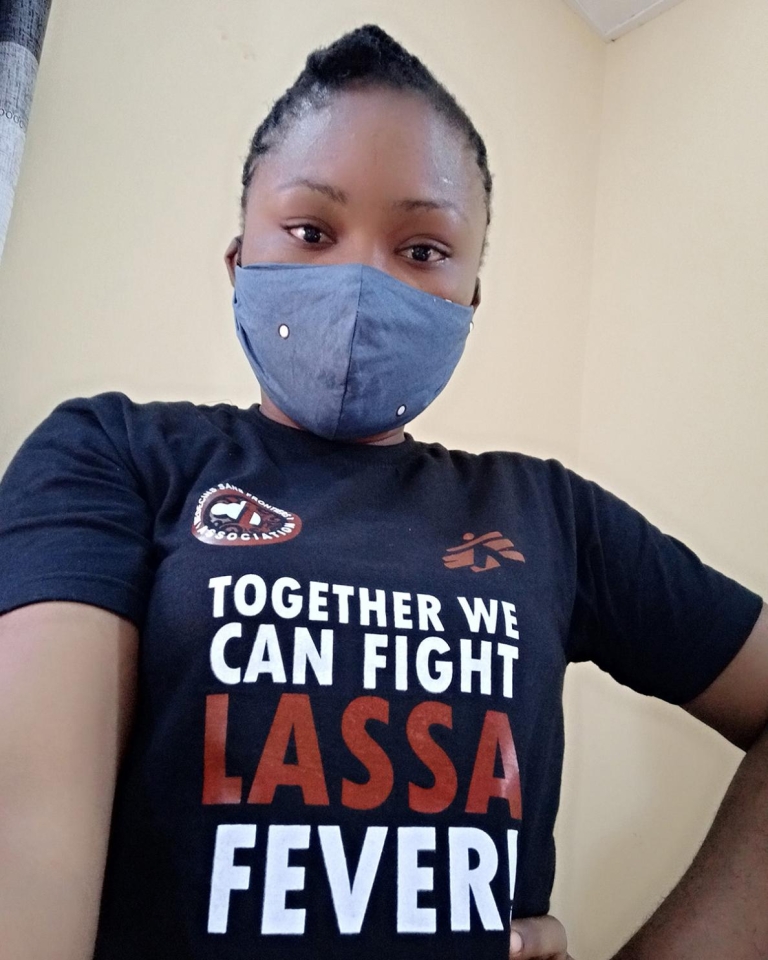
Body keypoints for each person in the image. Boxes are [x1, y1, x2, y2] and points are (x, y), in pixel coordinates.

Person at [0, 22, 766, 960]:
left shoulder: (552, 516)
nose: (362, 280)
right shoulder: (113, 454)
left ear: (471, 299)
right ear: (240, 262)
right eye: (312, 232)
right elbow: (26, 848)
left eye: (423, 248)